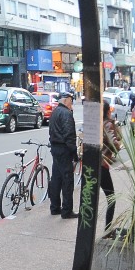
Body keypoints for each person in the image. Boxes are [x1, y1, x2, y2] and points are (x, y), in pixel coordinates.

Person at [49, 90, 78, 219]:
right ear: (66, 101)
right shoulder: (66, 113)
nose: (71, 105)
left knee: (56, 179)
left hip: (55, 149)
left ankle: (55, 207)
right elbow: (69, 136)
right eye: (71, 102)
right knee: (67, 181)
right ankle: (66, 210)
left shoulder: (55, 112)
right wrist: (74, 152)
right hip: (64, 150)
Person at [99, 100, 123, 232]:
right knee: (111, 198)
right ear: (108, 110)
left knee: (91, 198)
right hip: (102, 165)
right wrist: (117, 146)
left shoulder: (97, 122)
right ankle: (107, 229)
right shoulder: (107, 123)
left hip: (93, 163)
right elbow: (115, 142)